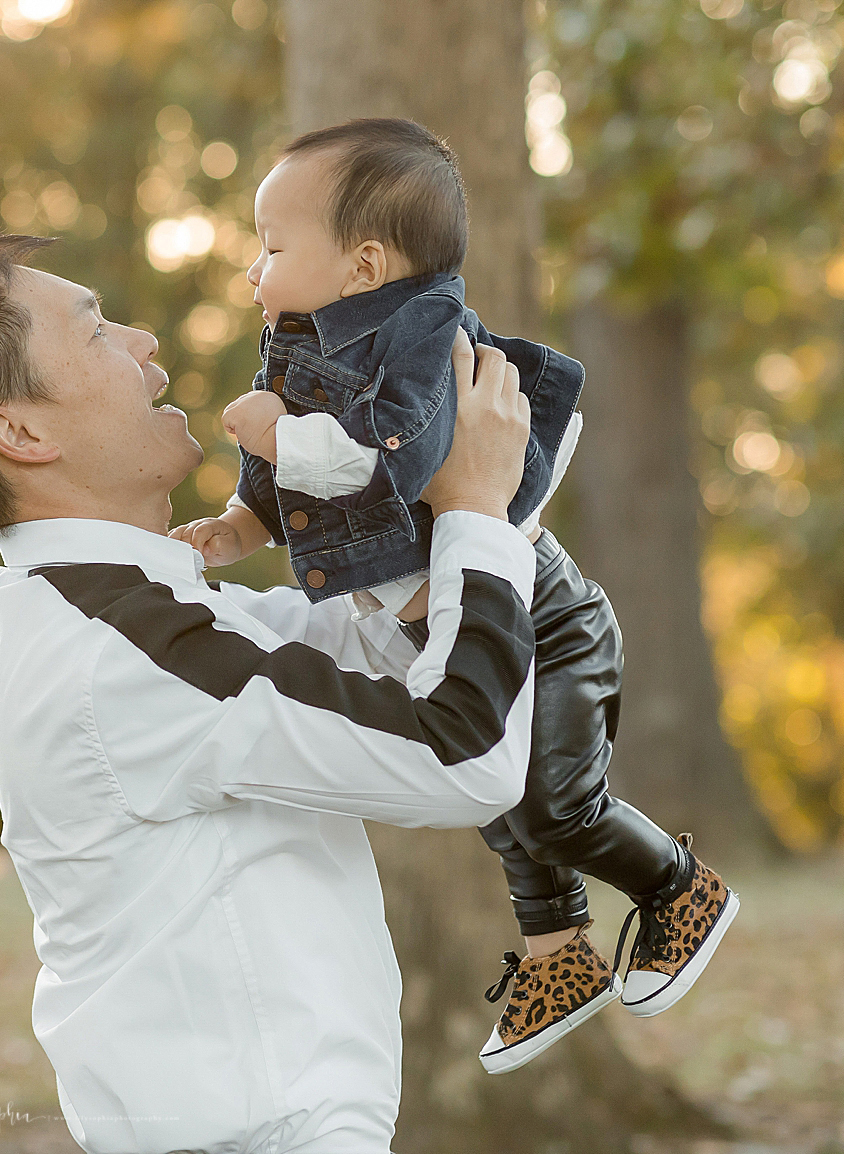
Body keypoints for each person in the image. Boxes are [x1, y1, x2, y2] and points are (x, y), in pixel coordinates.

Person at [0, 231, 538, 1152]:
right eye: (96, 333)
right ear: (22, 433)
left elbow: (358, 650)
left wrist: (400, 471)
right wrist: (477, 512)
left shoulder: (90, 606)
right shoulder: (118, 647)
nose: (144, 344)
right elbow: (464, 753)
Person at [169, 118, 737, 1074]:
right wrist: (240, 522)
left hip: (544, 616)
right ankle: (560, 958)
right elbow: (287, 491)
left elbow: (398, 463)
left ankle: (679, 888)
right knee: (499, 803)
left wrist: (281, 434)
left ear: (362, 264)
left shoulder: (426, 337)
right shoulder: (296, 342)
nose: (253, 271)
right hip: (441, 618)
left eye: (270, 248)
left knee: (550, 805)